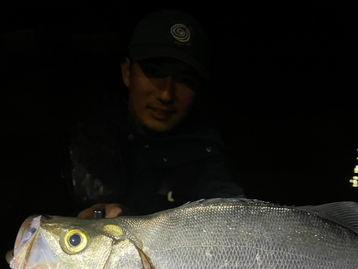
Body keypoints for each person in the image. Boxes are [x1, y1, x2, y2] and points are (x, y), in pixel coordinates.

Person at [65, 10, 244, 219]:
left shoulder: (207, 150)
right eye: (153, 71)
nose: (166, 94)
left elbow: (229, 208)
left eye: (184, 79)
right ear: (127, 72)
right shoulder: (84, 135)